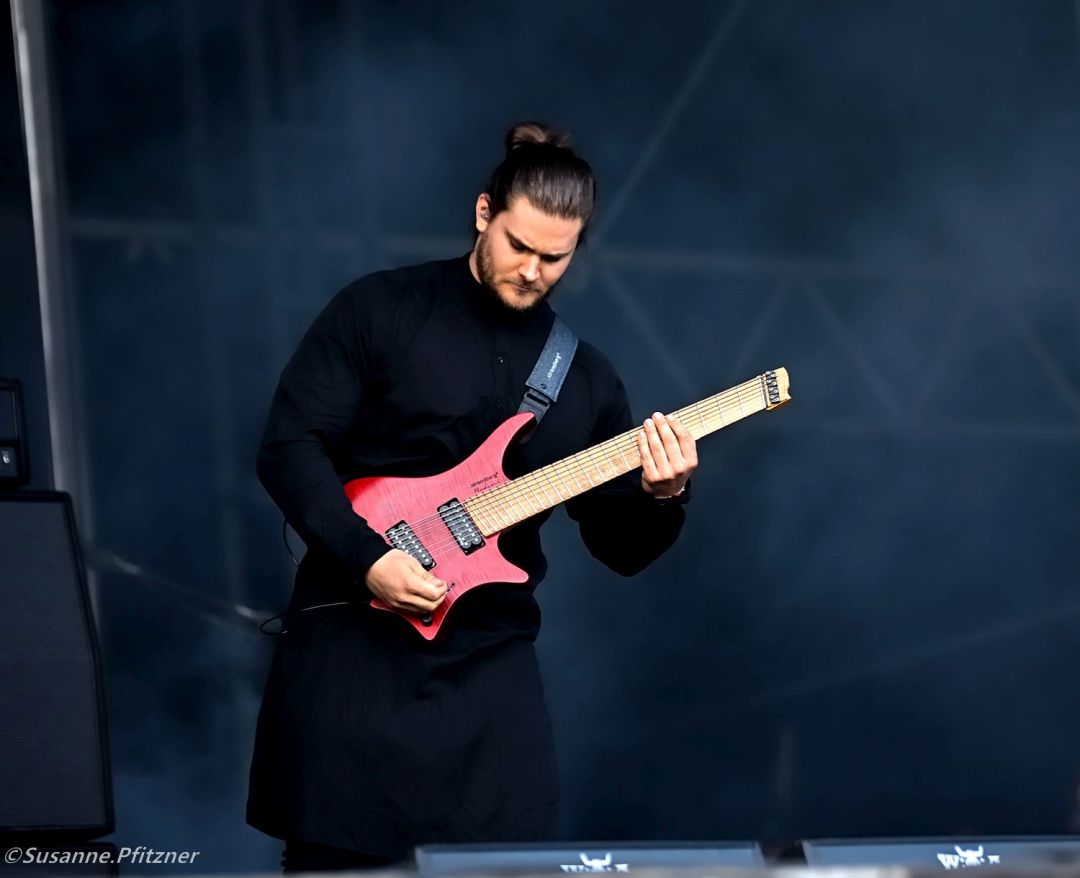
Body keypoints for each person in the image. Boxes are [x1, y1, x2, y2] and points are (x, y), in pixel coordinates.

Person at [246, 121, 698, 872]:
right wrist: (367, 558)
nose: (532, 271)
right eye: (519, 246)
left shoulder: (586, 379)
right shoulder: (380, 310)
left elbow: (620, 549)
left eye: (555, 258)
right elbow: (289, 447)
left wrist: (664, 494)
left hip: (489, 677)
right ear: (484, 213)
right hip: (354, 657)